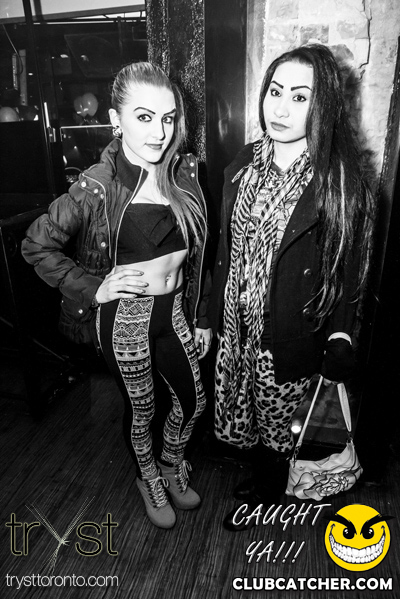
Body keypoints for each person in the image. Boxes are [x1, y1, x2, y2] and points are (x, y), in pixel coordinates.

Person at [22, 61, 212, 529]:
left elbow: (202, 255)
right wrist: (93, 287)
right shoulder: (98, 183)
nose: (159, 133)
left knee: (193, 402)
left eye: (168, 118)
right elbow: (35, 244)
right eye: (144, 117)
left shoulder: (184, 172)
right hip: (127, 316)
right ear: (115, 119)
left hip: (176, 310)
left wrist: (203, 315)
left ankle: (171, 463)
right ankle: (148, 478)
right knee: (143, 409)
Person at [207, 44, 375, 531]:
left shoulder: (337, 181)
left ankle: (271, 492)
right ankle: (264, 478)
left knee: (282, 428)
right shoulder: (242, 165)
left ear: (324, 106)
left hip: (290, 333)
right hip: (237, 330)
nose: (280, 109)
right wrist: (206, 316)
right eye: (275, 92)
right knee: (246, 417)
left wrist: (341, 336)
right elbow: (224, 250)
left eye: (300, 98)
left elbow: (348, 273)